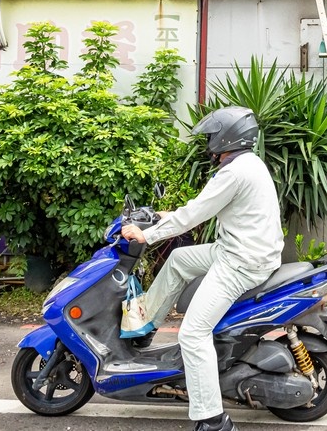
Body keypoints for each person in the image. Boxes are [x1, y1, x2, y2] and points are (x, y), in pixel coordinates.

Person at [120, 106, 284, 431]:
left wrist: (147, 234)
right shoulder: (248, 163)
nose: (209, 142)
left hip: (240, 262)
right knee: (179, 260)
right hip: (243, 250)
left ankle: (212, 419)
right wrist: (166, 215)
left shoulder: (233, 171)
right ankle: (144, 327)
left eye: (212, 136)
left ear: (227, 136)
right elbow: (201, 207)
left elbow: (196, 215)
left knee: (193, 334)